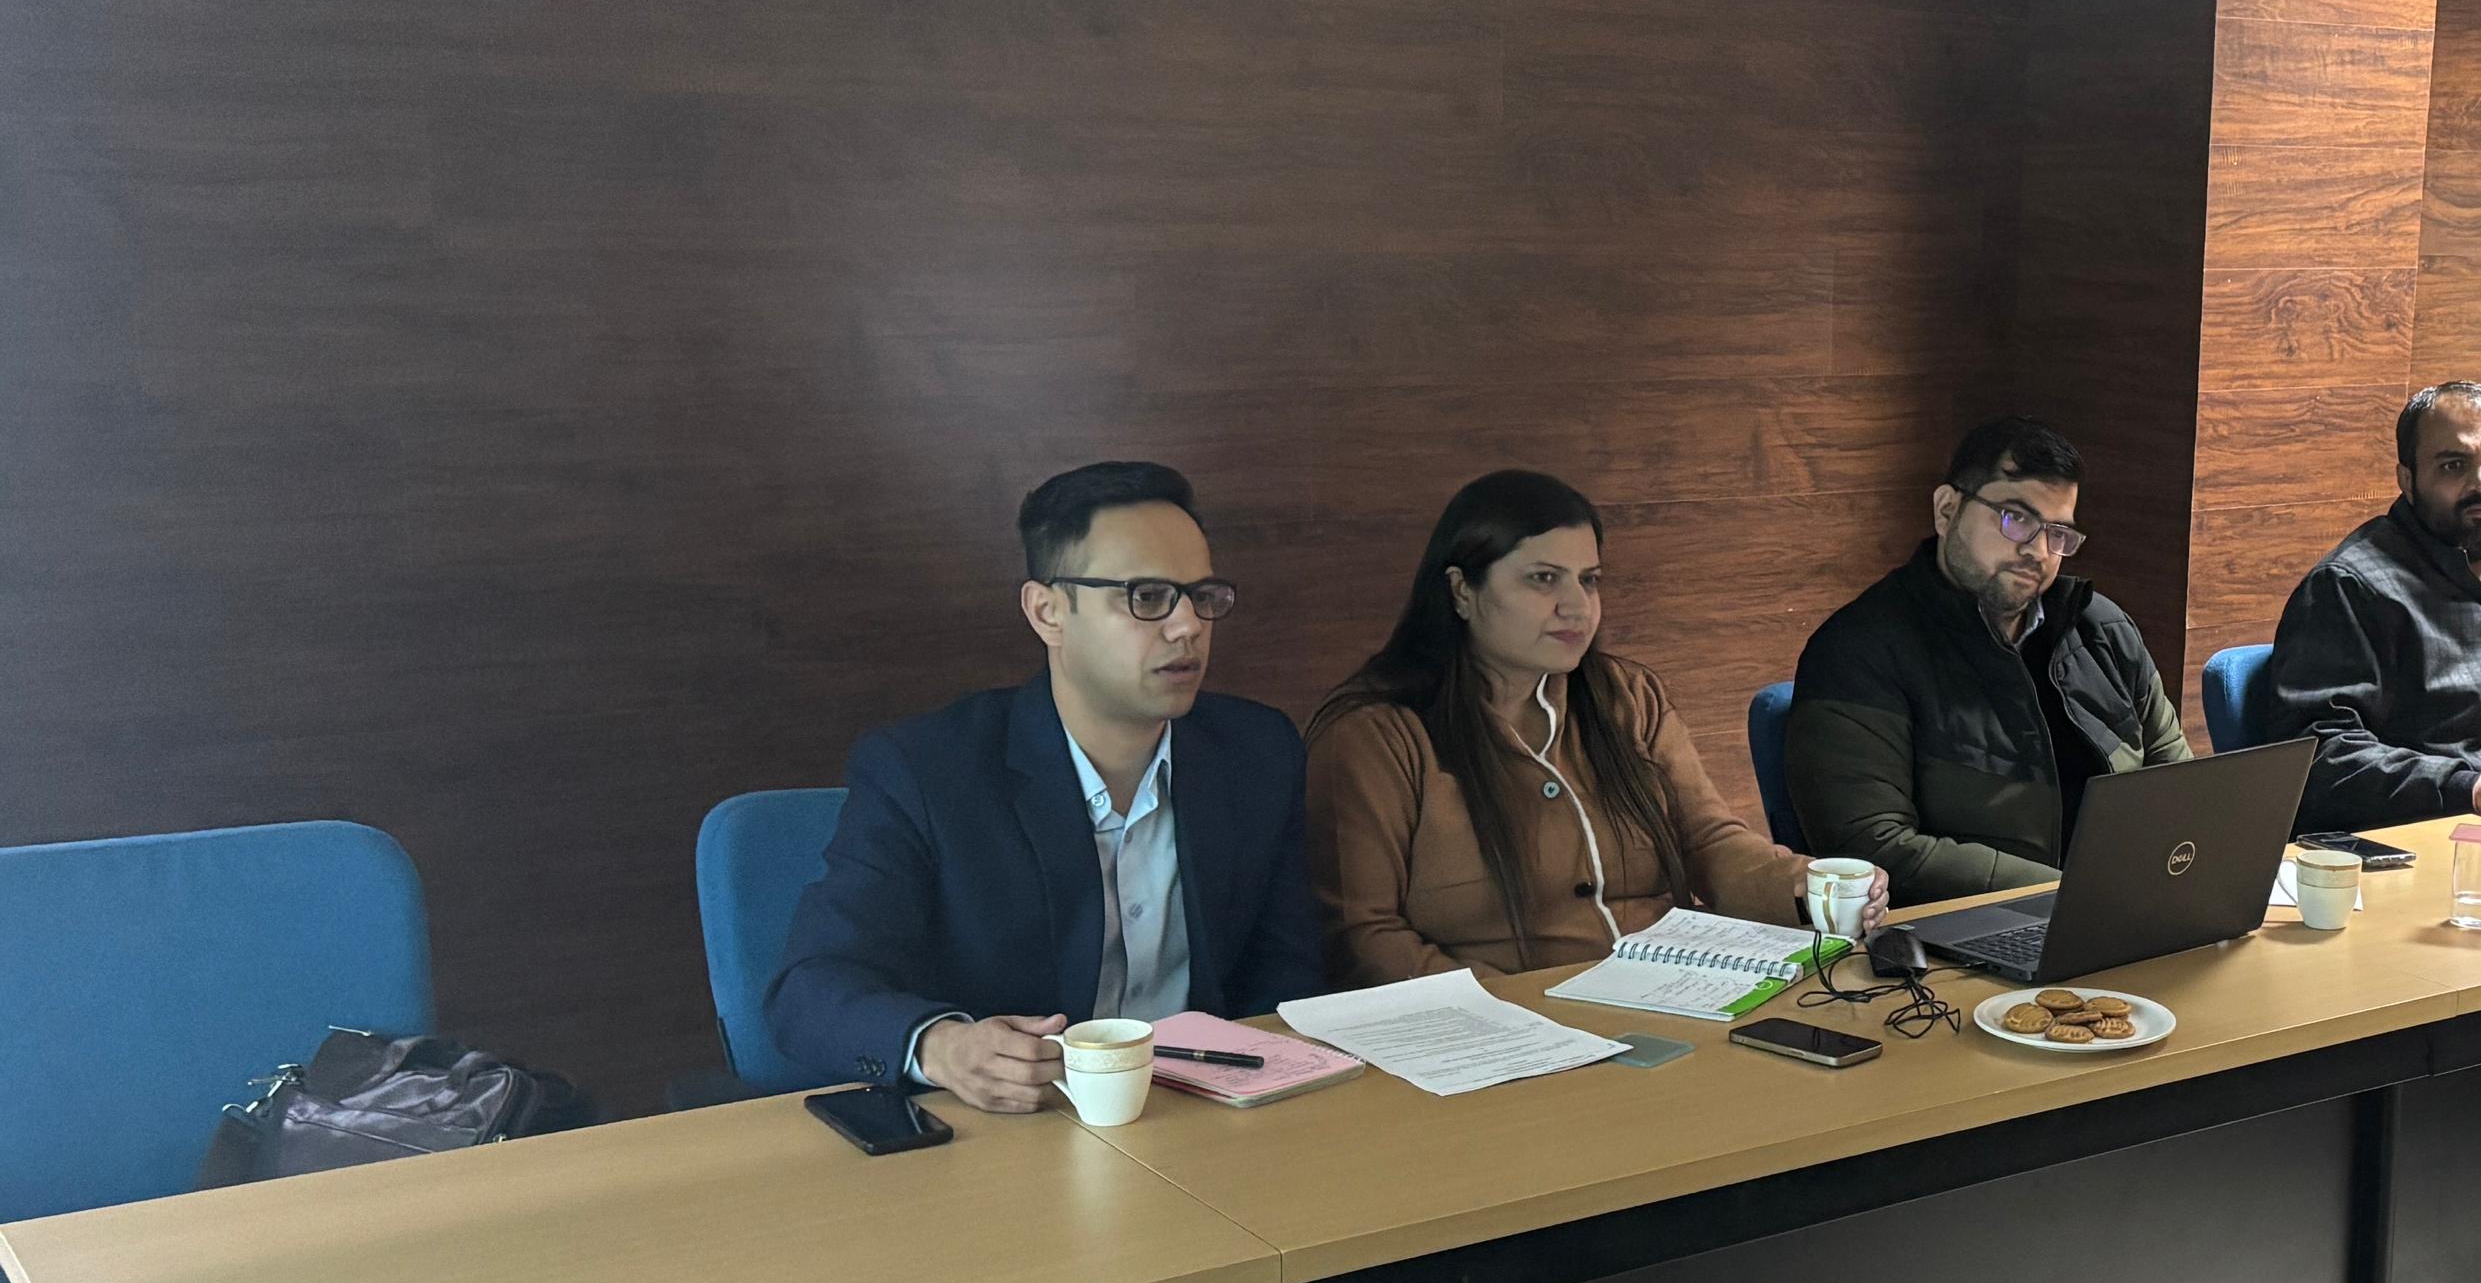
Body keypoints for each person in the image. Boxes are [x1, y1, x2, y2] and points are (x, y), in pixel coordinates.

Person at [772, 462, 1325, 1113]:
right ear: (1047, 612)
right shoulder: (927, 771)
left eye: (1201, 595)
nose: (1188, 626)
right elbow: (810, 988)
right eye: (1147, 597)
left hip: (1201, 1113)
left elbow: (1285, 974)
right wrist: (943, 1047)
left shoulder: (1256, 752)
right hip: (1014, 1123)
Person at [1306, 471, 1882, 984]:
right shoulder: (1376, 734)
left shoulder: (1626, 697)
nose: (1577, 606)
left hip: (1672, 995)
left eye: (1588, 579)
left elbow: (1707, 842)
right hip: (1498, 1029)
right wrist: (1516, 1011)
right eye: (1544, 579)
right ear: (1461, 590)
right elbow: (1365, 938)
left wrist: (1806, 884)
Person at [1784, 417, 2192, 905]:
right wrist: (2070, 895)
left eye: (2058, 533)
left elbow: (2182, 788)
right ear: (1946, 510)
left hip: (2122, 910)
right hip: (1958, 929)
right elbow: (1872, 848)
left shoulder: (2102, 629)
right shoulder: (1859, 650)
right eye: (2015, 518)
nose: (2037, 550)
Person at [2252, 380, 2481, 829]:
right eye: (2454, 465)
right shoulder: (2351, 588)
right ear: (2408, 480)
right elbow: (2318, 757)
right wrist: (2473, 786)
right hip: (2430, 829)